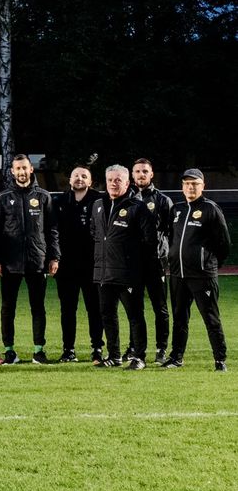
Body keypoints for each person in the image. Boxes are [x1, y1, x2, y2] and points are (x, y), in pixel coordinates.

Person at [0, 155, 59, 365]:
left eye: (24, 168)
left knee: (38, 307)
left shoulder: (43, 196)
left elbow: (52, 229)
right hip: (10, 262)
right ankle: (9, 350)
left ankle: (39, 351)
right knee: (8, 308)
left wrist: (54, 256)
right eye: (17, 168)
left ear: (31, 169)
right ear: (12, 171)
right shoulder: (3, 197)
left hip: (37, 260)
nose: (21, 172)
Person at [163, 169, 230, 371]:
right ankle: (176, 357)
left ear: (203, 186)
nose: (190, 187)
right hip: (178, 274)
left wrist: (209, 263)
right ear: (182, 186)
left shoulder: (211, 209)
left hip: (202, 276)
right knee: (179, 318)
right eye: (187, 183)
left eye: (195, 183)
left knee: (210, 318)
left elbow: (224, 243)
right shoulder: (177, 209)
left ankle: (220, 360)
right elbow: (171, 238)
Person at [90, 165, 156, 369]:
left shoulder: (138, 207)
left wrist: (134, 263)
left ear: (127, 183)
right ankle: (114, 355)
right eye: (110, 180)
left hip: (128, 274)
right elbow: (95, 233)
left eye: (118, 180)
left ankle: (139, 357)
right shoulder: (98, 204)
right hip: (103, 273)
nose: (113, 183)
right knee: (107, 315)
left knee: (135, 316)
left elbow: (149, 241)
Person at [52, 165, 102, 363]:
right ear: (70, 180)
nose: (79, 178)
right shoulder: (59, 201)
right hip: (66, 266)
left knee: (95, 308)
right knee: (67, 310)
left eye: (84, 176)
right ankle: (68, 350)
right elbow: (53, 232)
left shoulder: (100, 200)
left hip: (92, 265)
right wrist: (54, 257)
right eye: (76, 175)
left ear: (90, 181)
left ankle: (97, 348)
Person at [130, 158, 173, 363]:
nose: (141, 174)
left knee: (160, 308)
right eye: (138, 171)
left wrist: (166, 256)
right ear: (132, 175)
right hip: (133, 264)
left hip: (156, 262)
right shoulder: (127, 199)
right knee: (134, 308)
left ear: (151, 174)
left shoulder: (163, 200)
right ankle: (135, 347)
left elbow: (171, 232)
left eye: (145, 171)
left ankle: (161, 348)